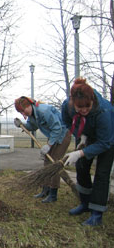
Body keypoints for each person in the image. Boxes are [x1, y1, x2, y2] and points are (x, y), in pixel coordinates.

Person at [62, 78, 114, 226]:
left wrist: (79, 153)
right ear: (73, 102)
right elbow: (67, 122)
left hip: (108, 138)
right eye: (80, 108)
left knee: (102, 174)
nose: (84, 110)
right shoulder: (67, 106)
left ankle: (97, 214)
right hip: (86, 134)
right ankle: (85, 203)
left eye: (87, 106)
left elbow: (104, 142)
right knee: (81, 167)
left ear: (92, 101)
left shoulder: (104, 110)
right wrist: (81, 136)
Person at [14, 96, 71, 203]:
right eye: (21, 112)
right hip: (54, 135)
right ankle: (46, 189)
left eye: (23, 110)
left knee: (54, 163)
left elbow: (57, 128)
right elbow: (32, 126)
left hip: (63, 135)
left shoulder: (44, 111)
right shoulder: (32, 114)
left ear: (28, 105)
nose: (24, 114)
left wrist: (49, 145)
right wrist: (22, 125)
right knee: (47, 161)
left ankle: (53, 194)